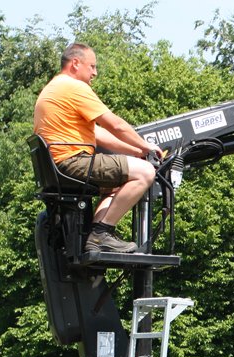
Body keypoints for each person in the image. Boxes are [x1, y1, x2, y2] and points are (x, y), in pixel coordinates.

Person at [34, 43, 159, 253]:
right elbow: (115, 124)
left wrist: (136, 151)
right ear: (75, 63)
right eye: (92, 66)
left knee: (119, 184)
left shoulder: (55, 88)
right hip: (72, 161)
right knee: (146, 172)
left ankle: (97, 235)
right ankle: (102, 233)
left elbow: (97, 133)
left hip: (61, 164)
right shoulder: (74, 87)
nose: (95, 72)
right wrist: (147, 146)